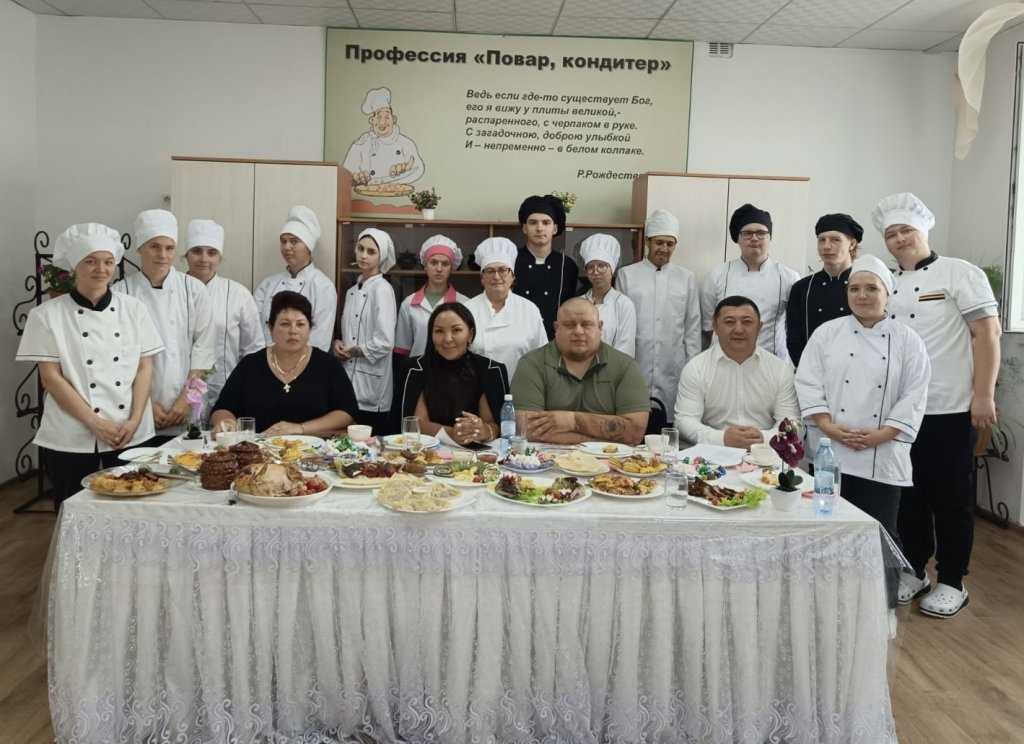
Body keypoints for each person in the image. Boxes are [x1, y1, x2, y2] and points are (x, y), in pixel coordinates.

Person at [873, 192, 1000, 619]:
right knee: (908, 495)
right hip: (900, 411)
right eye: (891, 233)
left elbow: (987, 334)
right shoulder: (887, 282)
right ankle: (914, 570)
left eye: (906, 230)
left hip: (949, 406)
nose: (899, 239)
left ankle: (952, 580)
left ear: (924, 230)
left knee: (951, 498)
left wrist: (983, 394)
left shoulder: (959, 273)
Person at [16, 223, 164, 505]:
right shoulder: (46, 315)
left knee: (134, 509)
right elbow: (51, 378)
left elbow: (144, 367)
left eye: (108, 262)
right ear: (75, 266)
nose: (101, 269)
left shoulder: (134, 309)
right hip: (72, 432)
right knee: (72, 509)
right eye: (91, 261)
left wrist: (135, 420)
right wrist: (95, 422)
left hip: (129, 429)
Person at [794, 254, 931, 541]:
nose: (862, 295)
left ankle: (884, 574)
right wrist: (828, 427)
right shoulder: (826, 334)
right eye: (854, 289)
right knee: (827, 530)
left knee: (879, 533)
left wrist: (883, 434)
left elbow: (914, 393)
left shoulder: (908, 340)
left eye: (872, 288)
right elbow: (808, 381)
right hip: (831, 449)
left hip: (882, 454)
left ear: (888, 294)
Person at [112, 209, 215, 442]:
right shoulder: (120, 294)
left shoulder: (194, 290)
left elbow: (204, 350)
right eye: (154, 247)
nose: (162, 255)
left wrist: (187, 398)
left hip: (185, 409)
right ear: (140, 248)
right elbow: (116, 359)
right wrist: (144, 404)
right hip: (136, 411)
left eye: (169, 248)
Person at [211, 291, 358, 436]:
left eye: (300, 324)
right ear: (271, 329)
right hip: (258, 448)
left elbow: (347, 412)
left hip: (315, 448)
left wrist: (300, 428)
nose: (293, 331)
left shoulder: (327, 365)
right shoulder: (250, 365)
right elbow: (222, 408)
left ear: (310, 329)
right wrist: (226, 422)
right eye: (285, 324)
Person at [511, 298, 649, 445]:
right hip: (546, 458)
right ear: (556, 328)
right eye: (570, 325)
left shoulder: (625, 366)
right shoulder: (532, 364)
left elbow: (634, 433)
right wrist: (601, 438)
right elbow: (528, 430)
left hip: (609, 458)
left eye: (586, 324)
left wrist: (572, 421)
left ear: (600, 327)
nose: (578, 331)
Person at [675, 295, 801, 447]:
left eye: (747, 322)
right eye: (729, 322)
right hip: (712, 454)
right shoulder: (696, 368)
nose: (739, 330)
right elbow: (684, 421)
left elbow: (793, 423)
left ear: (759, 327)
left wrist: (763, 438)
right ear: (715, 327)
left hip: (765, 453)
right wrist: (722, 438)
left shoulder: (780, 370)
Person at [617, 209, 700, 418]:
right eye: (659, 242)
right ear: (647, 241)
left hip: (673, 368)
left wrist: (693, 371)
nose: (664, 249)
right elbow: (620, 326)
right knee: (634, 420)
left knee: (670, 424)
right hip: (637, 364)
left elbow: (692, 329)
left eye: (670, 244)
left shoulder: (687, 278)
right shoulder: (627, 275)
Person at [392, 302, 509, 446]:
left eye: (456, 330)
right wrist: (453, 432)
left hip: (476, 454)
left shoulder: (490, 370)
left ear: (470, 334)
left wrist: (482, 430)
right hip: (424, 451)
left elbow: (496, 425)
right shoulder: (415, 369)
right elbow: (416, 423)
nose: (447, 338)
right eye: (439, 331)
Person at [183, 219, 264, 418]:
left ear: (220, 257)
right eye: (197, 251)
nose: (204, 259)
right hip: (178, 396)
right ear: (186, 255)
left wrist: (248, 390)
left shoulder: (238, 295)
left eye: (212, 253)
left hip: (229, 392)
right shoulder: (173, 292)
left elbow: (254, 350)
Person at [700, 203, 800, 359]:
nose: (754, 238)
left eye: (761, 233)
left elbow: (795, 327)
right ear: (737, 238)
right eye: (747, 233)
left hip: (771, 362)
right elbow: (708, 326)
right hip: (724, 362)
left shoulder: (789, 277)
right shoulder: (717, 274)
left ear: (770, 237)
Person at [333, 227, 397, 434]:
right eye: (360, 249)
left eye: (371, 252)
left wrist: (351, 351)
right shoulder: (352, 291)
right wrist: (338, 344)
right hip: (348, 380)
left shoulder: (383, 290)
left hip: (372, 386)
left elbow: (384, 343)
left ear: (381, 257)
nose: (363, 255)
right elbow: (349, 333)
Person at [254, 205, 337, 353]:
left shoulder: (323, 287)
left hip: (306, 363)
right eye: (283, 241)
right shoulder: (267, 285)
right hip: (266, 360)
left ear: (309, 247)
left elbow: (320, 339)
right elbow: (255, 330)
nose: (287, 247)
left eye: (294, 241)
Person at [464, 237, 548, 378]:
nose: (496, 277)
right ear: (482, 279)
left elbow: (542, 356)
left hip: (520, 386)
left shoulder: (529, 310)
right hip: (476, 387)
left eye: (503, 270)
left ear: (512, 276)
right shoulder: (467, 309)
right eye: (489, 271)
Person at [786, 213, 862, 366]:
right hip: (812, 372)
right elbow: (794, 339)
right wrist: (807, 371)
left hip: (859, 371)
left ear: (852, 244)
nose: (826, 246)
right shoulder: (802, 288)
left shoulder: (864, 285)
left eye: (835, 240)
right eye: (821, 240)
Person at [513, 194, 579, 339]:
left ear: (555, 228)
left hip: (555, 340)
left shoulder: (567, 265)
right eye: (533, 223)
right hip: (517, 338)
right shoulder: (511, 260)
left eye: (546, 223)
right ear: (524, 228)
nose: (539, 228)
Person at [394, 235, 469, 357]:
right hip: (417, 368)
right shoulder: (409, 304)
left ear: (452, 268)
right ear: (425, 265)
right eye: (433, 263)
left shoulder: (465, 303)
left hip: (452, 368)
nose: (439, 269)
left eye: (445, 264)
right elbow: (402, 350)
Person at [342, 87, 425, 187]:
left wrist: (402, 171)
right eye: (378, 117)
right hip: (366, 194)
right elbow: (344, 176)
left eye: (386, 117)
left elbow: (418, 169)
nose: (382, 122)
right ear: (371, 120)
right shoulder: (360, 144)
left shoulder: (406, 143)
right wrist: (356, 178)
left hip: (397, 194)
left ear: (393, 119)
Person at [578, 233, 637, 357]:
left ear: (612, 269)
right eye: (590, 267)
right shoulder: (578, 303)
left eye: (602, 266)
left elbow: (626, 348)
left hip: (615, 367)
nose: (596, 272)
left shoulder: (624, 305)